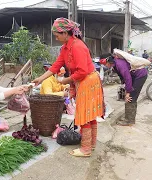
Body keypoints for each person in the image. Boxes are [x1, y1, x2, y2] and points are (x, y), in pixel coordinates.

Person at [32, 17, 104, 157]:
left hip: (87, 81)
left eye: (57, 35)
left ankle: (85, 149)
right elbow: (55, 66)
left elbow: (82, 71)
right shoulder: (65, 48)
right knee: (89, 115)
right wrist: (40, 79)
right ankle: (91, 144)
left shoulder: (77, 46)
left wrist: (66, 80)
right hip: (84, 81)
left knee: (84, 115)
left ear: (65, 33)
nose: (56, 37)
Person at [100, 53, 148, 126]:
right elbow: (123, 77)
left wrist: (128, 92)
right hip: (134, 76)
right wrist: (126, 88)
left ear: (108, 60)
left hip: (140, 75)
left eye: (104, 63)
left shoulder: (119, 64)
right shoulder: (115, 64)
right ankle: (129, 118)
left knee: (131, 97)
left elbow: (127, 78)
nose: (104, 65)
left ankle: (129, 121)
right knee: (130, 96)